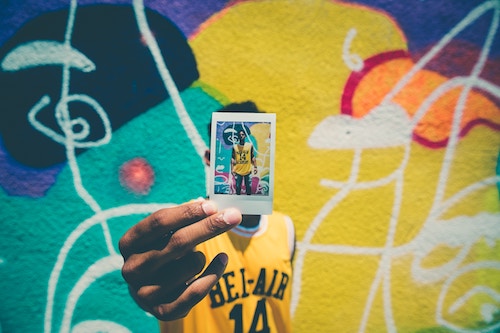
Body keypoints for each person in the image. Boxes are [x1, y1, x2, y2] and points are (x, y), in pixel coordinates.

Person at [119, 102, 295, 333]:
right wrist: (142, 287)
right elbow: (151, 281)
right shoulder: (181, 229)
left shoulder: (285, 228)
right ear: (210, 158)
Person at [231, 128, 257, 195]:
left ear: (245, 136)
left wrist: (255, 167)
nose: (241, 136)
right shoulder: (235, 147)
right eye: (240, 135)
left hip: (247, 171)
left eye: (242, 135)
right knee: (237, 187)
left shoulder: (249, 145)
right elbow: (233, 159)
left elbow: (253, 157)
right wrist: (232, 169)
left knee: (248, 187)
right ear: (238, 136)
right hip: (238, 171)